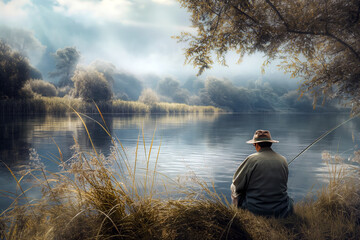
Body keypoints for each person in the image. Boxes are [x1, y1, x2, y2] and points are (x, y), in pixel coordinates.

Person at [230, 129, 293, 218]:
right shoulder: (283, 160)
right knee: (290, 200)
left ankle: (238, 216)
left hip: (255, 210)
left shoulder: (252, 159)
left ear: (256, 144)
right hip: (281, 209)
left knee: (233, 187)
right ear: (270, 143)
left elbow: (237, 185)